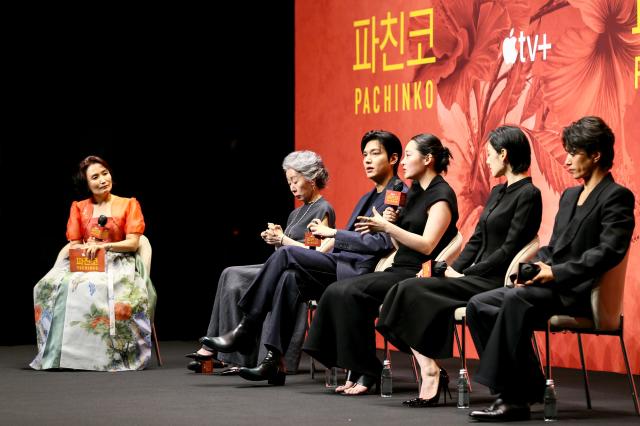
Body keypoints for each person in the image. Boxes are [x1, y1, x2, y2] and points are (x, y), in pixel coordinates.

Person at [201, 130, 405, 385]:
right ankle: (272, 362)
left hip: (355, 269)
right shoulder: (367, 197)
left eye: (375, 154)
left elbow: (382, 241)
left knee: (287, 255)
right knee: (288, 277)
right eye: (365, 154)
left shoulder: (395, 194)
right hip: (341, 262)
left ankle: (247, 326)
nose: (367, 160)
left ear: (394, 159)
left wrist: (333, 234)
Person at [467, 116, 635, 422]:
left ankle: (512, 398)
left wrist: (556, 274)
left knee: (516, 301)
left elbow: (608, 252)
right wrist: (531, 268)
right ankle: (529, 386)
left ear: (595, 154)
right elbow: (554, 246)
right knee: (479, 304)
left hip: (579, 292)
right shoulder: (570, 196)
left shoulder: (616, 197)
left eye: (574, 153)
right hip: (550, 288)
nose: (567, 161)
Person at [376, 126, 542, 406]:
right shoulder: (498, 192)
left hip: (493, 280)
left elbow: (509, 249)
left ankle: (434, 371)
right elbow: (476, 241)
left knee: (412, 290)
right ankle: (431, 368)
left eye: (490, 155)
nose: (487, 160)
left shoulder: (528, 194)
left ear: (504, 154)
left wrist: (466, 273)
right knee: (407, 288)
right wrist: (446, 267)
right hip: (474, 276)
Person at [304, 133, 459, 395]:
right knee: (337, 290)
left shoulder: (441, 194)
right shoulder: (415, 194)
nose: (405, 162)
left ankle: (367, 371)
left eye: (409, 155)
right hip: (399, 267)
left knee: (351, 292)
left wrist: (388, 227)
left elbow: (427, 245)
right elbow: (401, 244)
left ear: (428, 159)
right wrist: (394, 223)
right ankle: (355, 367)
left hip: (419, 273)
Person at [186, 150, 336, 372]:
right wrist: (276, 239)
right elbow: (286, 249)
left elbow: (313, 253)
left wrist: (283, 239)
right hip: (282, 265)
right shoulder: (296, 213)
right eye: (289, 182)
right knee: (230, 273)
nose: (292, 187)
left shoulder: (323, 209)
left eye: (295, 181)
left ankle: (227, 350)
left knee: (236, 275)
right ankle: (230, 353)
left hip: (299, 273)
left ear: (311, 179)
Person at [31, 155, 156, 371]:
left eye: (105, 173)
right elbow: (74, 243)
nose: (102, 180)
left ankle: (114, 356)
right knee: (46, 287)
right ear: (86, 183)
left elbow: (134, 242)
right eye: (95, 177)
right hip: (86, 262)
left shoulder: (128, 204)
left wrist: (104, 246)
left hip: (119, 261)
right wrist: (84, 248)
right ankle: (61, 355)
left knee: (103, 290)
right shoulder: (79, 208)